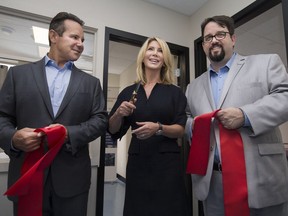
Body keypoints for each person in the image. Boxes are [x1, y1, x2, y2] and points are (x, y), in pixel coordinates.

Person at [0, 12, 107, 216]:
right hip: (27, 174)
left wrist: (67, 133)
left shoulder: (91, 83)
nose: (81, 43)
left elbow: (100, 121)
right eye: (75, 37)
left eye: (82, 39)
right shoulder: (18, 75)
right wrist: (13, 138)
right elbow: (2, 117)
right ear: (53, 36)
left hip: (72, 182)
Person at [185, 15, 288, 216]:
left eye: (220, 34)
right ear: (203, 45)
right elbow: (187, 117)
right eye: (208, 38)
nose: (213, 40)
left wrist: (245, 115)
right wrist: (194, 127)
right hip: (212, 181)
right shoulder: (192, 86)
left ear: (233, 38)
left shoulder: (266, 63)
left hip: (260, 177)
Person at [108, 37, 190, 216]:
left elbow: (181, 129)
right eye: (150, 49)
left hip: (167, 165)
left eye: (160, 50)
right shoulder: (129, 92)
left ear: (165, 59)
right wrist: (118, 114)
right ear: (143, 56)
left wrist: (159, 128)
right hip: (138, 164)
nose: (154, 54)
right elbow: (112, 129)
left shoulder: (175, 93)